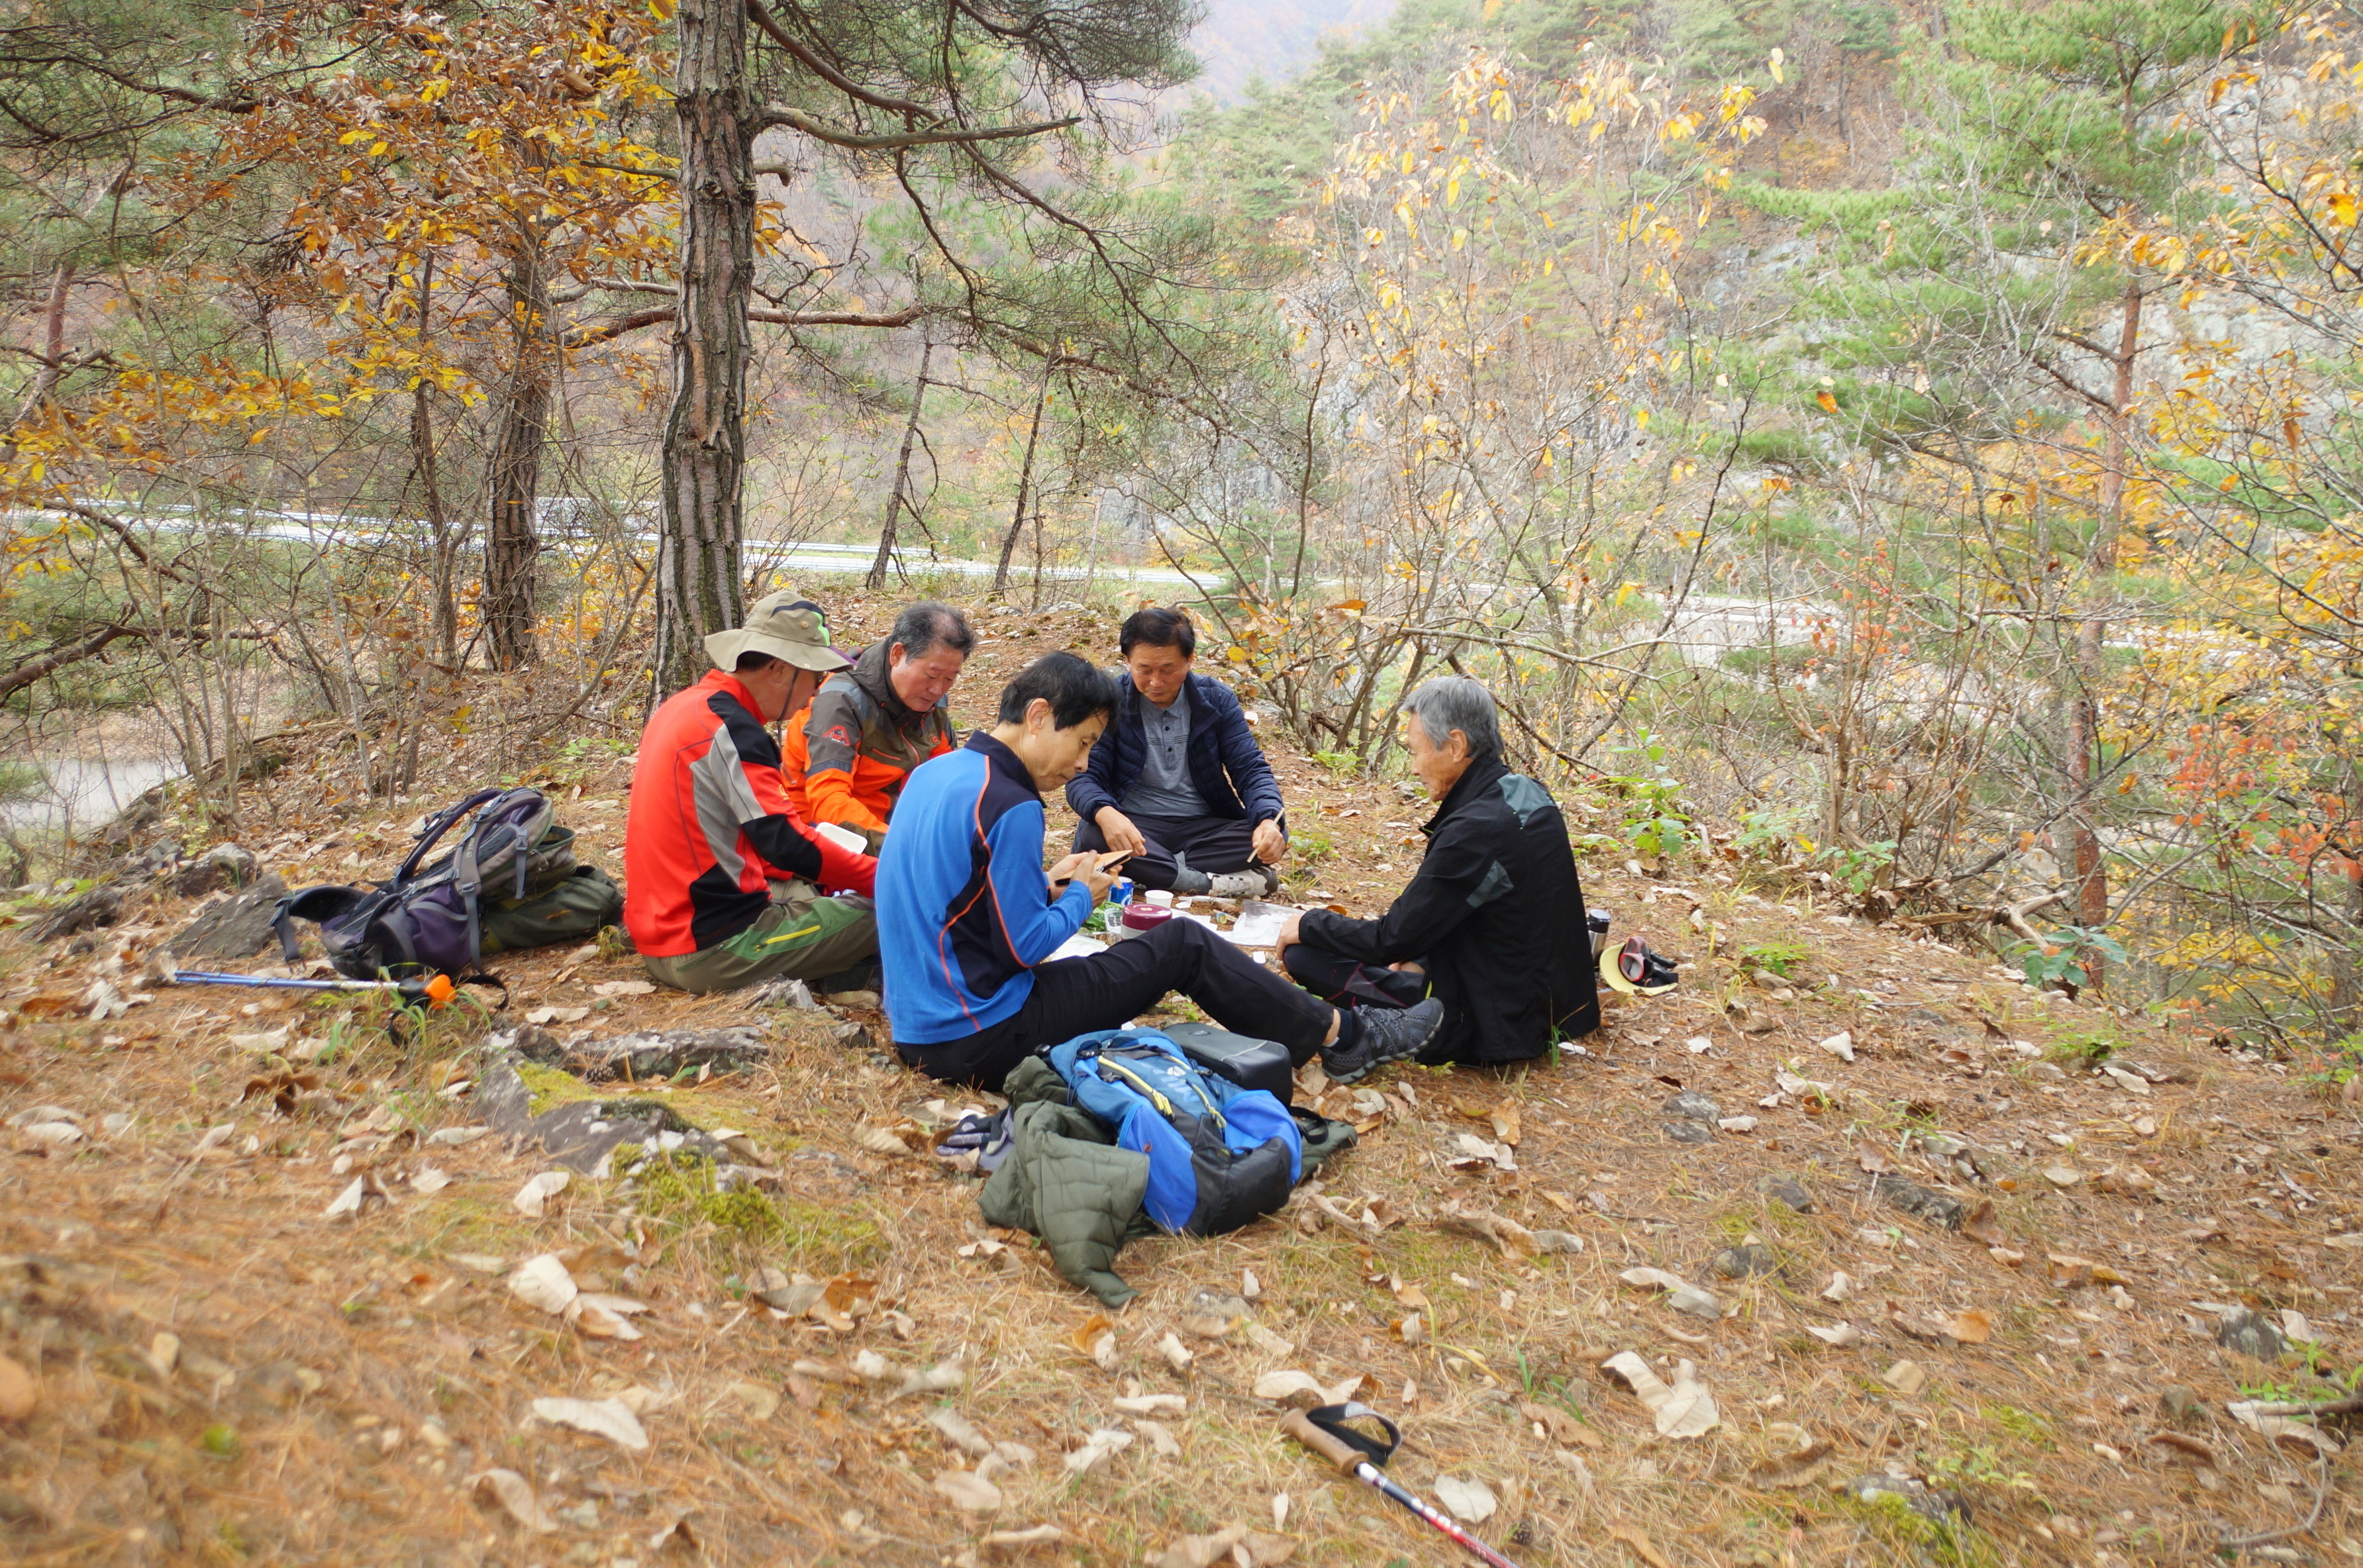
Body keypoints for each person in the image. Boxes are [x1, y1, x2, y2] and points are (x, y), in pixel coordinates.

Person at [877, 651, 1444, 1091]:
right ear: (1039, 716)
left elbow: (953, 899)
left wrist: (1048, 884)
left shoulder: (938, 772)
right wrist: (1081, 897)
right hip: (985, 1036)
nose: (1081, 763)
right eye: (1083, 743)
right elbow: (1022, 948)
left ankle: (1338, 1031)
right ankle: (1347, 1036)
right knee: (1182, 946)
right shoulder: (1013, 803)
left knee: (1158, 945)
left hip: (920, 1029)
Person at [1275, 677, 1598, 1068]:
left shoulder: (1476, 830)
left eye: (1415, 752)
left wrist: (1308, 923)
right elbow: (1479, 907)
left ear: (1456, 745)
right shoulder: (1525, 793)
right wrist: (1419, 953)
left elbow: (1390, 939)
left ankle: (1405, 1026)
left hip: (1492, 1024)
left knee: (1304, 957)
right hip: (1552, 1004)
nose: (1413, 768)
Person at [623, 591, 880, 995]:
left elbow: (741, 833)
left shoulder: (685, 706)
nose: (815, 693)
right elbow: (786, 843)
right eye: (815, 678)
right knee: (887, 911)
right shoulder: (733, 730)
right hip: (713, 947)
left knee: (806, 886)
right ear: (779, 670)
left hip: (661, 933)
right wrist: (884, 878)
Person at [1066, 607, 1287, 897]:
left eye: (1168, 670)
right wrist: (1107, 815)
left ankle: (1149, 871)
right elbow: (1082, 776)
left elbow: (1251, 770)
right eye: (1144, 670)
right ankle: (1205, 883)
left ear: (1189, 660)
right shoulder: (1109, 703)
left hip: (1203, 828)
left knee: (1272, 832)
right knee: (1095, 834)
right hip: (1135, 823)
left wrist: (1269, 821)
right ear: (1127, 661)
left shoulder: (1217, 700)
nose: (1156, 682)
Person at [783, 601, 973, 852]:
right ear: (897, 655)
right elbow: (828, 802)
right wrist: (904, 850)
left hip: (892, 821)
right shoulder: (840, 702)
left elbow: (944, 778)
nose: (938, 689)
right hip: (823, 838)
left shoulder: (929, 700)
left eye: (950, 678)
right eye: (931, 675)